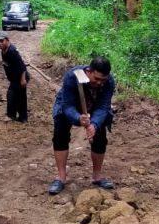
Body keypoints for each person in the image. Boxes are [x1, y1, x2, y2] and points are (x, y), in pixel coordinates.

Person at [48, 56, 116, 195]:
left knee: (100, 137)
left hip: (95, 104)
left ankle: (97, 177)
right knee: (60, 134)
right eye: (96, 79)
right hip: (69, 103)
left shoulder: (108, 82)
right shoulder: (72, 77)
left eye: (102, 80)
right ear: (89, 71)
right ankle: (61, 177)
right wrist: (78, 118)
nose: (99, 83)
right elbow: (67, 106)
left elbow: (103, 106)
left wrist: (94, 125)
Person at [0, 31, 28, 123]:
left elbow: (22, 66)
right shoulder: (3, 50)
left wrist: (23, 80)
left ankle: (22, 118)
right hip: (14, 78)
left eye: (2, 41)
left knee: (17, 96)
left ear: (7, 40)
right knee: (12, 95)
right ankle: (14, 116)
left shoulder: (12, 51)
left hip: (20, 77)